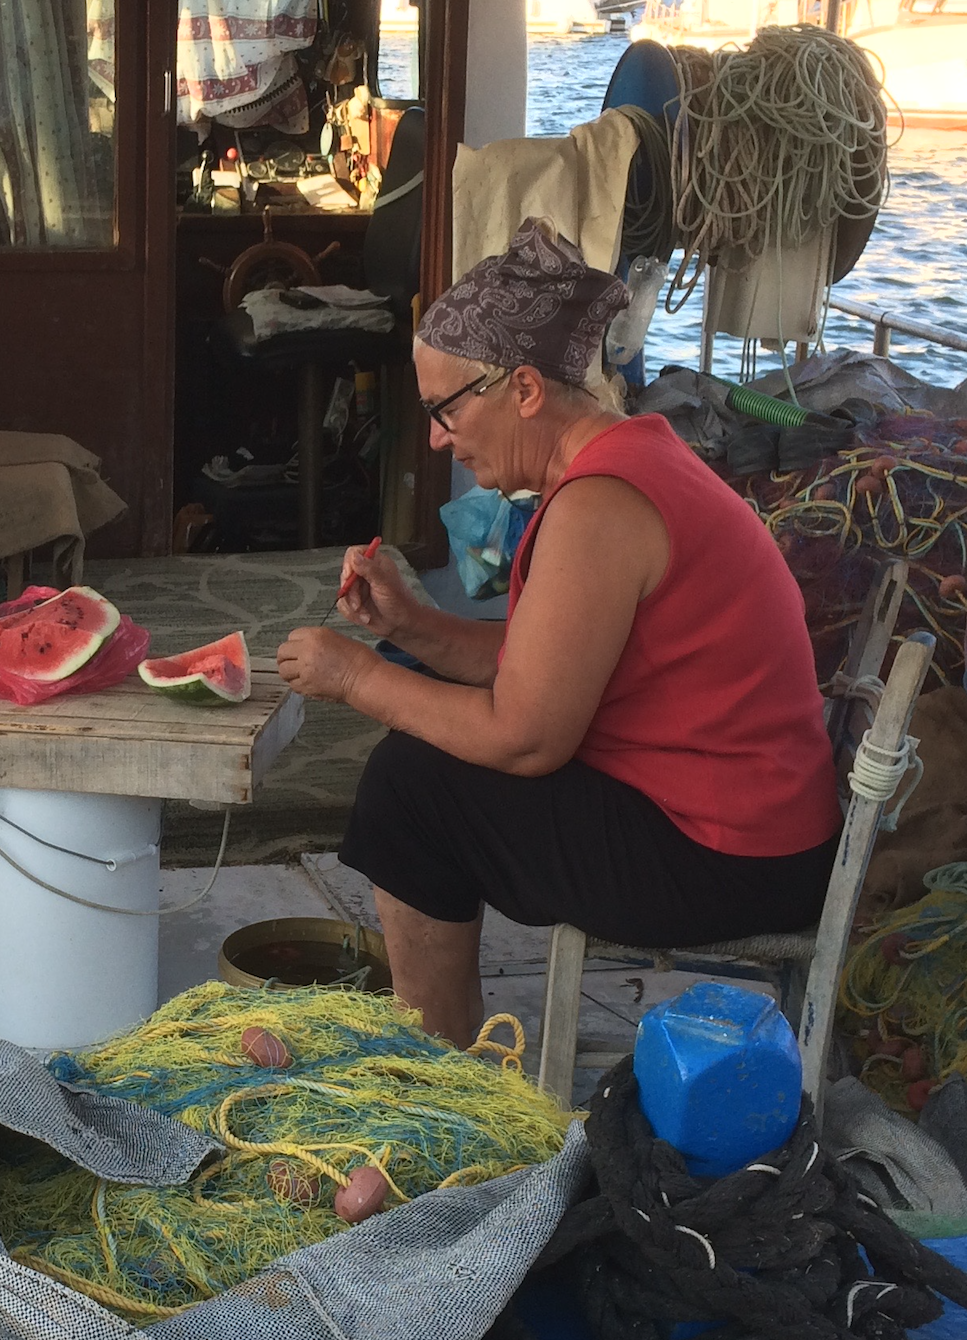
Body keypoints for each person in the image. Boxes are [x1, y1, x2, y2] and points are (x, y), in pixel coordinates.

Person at [275, 220, 840, 1044]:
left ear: (526, 390)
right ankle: (446, 1052)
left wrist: (358, 678)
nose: (437, 437)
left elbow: (527, 736)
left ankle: (441, 1078)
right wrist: (416, 626)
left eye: (444, 410)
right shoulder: (626, 461)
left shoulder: (601, 505)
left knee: (411, 788)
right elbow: (540, 664)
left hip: (731, 856)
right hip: (751, 829)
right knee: (421, 769)